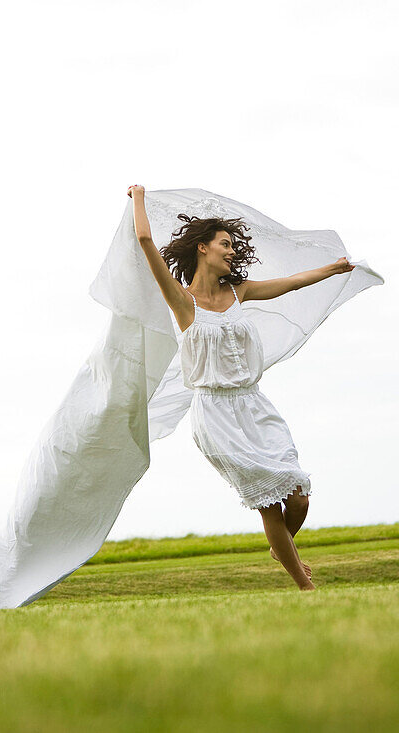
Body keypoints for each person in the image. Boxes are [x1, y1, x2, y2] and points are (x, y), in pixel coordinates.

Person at [126, 184, 355, 590]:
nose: (232, 250)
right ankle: (306, 587)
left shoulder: (239, 292)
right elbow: (145, 240)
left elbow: (294, 282)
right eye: (225, 244)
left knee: (298, 494)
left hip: (254, 405)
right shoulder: (182, 301)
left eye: (233, 245)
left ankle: (280, 545)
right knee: (268, 505)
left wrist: (331, 270)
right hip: (215, 413)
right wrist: (138, 197)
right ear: (202, 248)